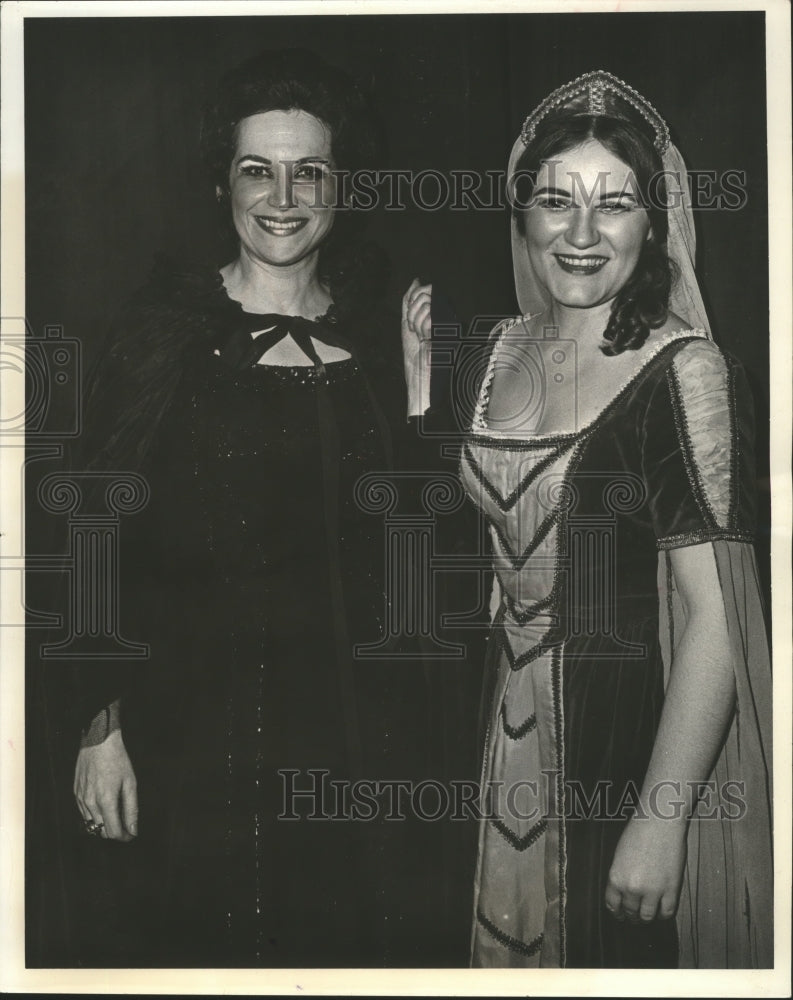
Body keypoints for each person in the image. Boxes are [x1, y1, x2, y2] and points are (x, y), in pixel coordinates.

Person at [58, 48, 473, 968]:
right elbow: (90, 543)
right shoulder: (158, 334)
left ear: (341, 185)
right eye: (257, 170)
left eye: (308, 171)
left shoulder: (384, 338)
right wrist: (100, 729)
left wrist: (417, 400)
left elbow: (422, 565)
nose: (283, 197)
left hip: (351, 746)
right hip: (188, 743)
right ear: (223, 185)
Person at [456, 71, 772, 968]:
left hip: (617, 742)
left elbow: (717, 615)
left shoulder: (687, 374)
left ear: (655, 222)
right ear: (521, 213)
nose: (582, 235)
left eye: (615, 205)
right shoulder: (492, 350)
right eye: (556, 201)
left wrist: (660, 820)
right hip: (483, 732)